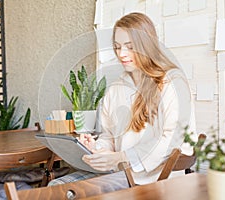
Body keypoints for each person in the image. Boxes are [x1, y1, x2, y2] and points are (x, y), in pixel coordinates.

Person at [48, 12, 196, 186]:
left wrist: (122, 157)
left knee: (61, 191)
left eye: (130, 46)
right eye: (117, 47)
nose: (121, 54)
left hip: (155, 181)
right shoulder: (115, 89)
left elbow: (173, 141)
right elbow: (109, 136)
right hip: (119, 175)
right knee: (55, 187)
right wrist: (95, 148)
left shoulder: (172, 83)